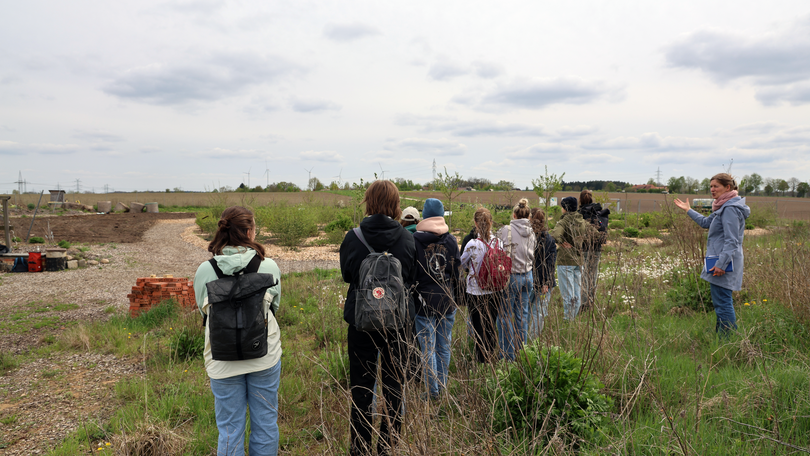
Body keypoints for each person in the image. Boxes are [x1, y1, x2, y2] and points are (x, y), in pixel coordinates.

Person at [193, 206, 282, 456]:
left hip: (222, 361)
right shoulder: (269, 266)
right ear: (250, 231)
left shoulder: (205, 271)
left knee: (230, 430)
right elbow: (274, 308)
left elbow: (204, 312)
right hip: (264, 356)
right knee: (265, 423)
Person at [339, 180, 416, 456]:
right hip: (397, 324)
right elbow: (410, 277)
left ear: (368, 201)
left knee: (361, 390)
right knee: (394, 390)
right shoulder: (408, 237)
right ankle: (387, 448)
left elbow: (347, 275)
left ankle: (359, 449)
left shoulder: (353, 237)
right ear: (395, 204)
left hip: (361, 323)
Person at [674, 173, 750, 335]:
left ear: (727, 187)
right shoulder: (723, 206)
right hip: (721, 260)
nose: (712, 190)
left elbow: (732, 241)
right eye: (711, 186)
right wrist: (689, 210)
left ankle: (727, 340)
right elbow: (706, 222)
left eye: (716, 186)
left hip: (723, 262)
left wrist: (721, 265)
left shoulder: (729, 209)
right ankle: (722, 337)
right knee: (721, 302)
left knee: (723, 303)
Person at [412, 198, 460, 399]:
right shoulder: (450, 240)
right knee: (444, 346)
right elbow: (457, 272)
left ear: (424, 215)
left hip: (423, 303)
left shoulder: (414, 240)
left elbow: (412, 273)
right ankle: (443, 387)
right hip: (447, 301)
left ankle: (432, 392)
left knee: (428, 349)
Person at [495, 198, 536, 360]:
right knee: (522, 316)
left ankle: (507, 355)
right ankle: (522, 352)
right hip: (528, 276)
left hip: (511, 277)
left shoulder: (507, 229)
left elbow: (495, 247)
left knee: (504, 316)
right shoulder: (532, 231)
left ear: (514, 214)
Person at [460, 207, 500, 363]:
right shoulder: (498, 241)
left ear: (476, 223)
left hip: (475, 291)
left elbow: (462, 263)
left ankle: (480, 360)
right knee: (491, 326)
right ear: (490, 222)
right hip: (495, 290)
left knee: (478, 328)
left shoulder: (472, 243)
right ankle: (490, 357)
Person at [550, 197, 595, 320]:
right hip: (578, 261)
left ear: (565, 208)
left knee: (568, 294)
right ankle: (573, 319)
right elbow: (595, 233)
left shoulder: (564, 221)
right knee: (576, 293)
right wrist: (581, 242)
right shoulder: (582, 220)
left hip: (566, 261)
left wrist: (562, 242)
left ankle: (568, 320)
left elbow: (554, 235)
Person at [528, 207, 557, 338]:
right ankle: (532, 341)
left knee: (526, 312)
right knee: (539, 313)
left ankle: (525, 342)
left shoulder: (528, 238)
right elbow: (550, 263)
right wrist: (546, 282)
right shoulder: (549, 239)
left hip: (530, 280)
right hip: (543, 283)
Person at [577, 189, 606, 312]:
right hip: (596, 248)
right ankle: (590, 301)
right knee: (592, 274)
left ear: (580, 199)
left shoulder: (579, 214)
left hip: (583, 248)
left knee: (583, 275)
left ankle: (583, 304)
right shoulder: (598, 211)